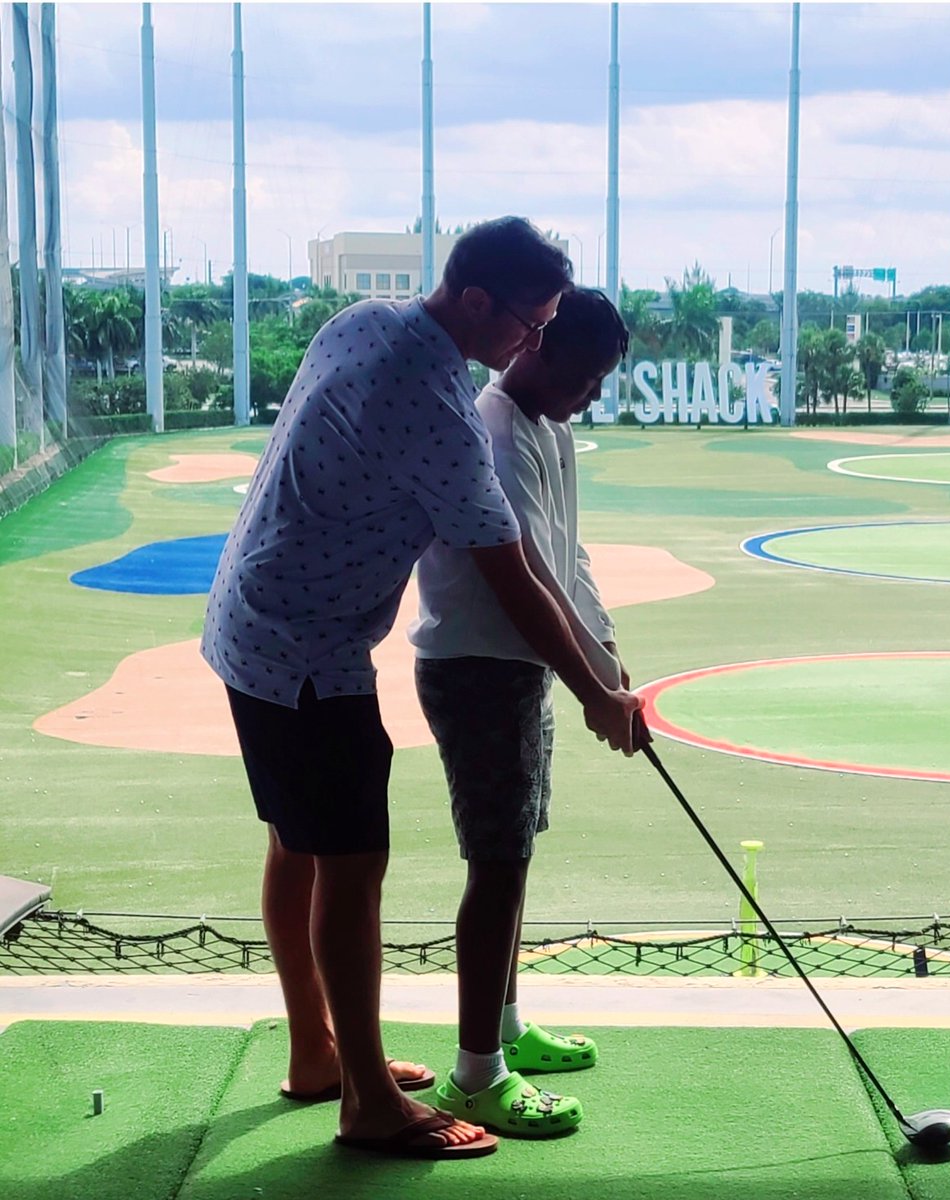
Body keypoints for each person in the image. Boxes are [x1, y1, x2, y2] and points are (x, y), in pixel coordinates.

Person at [200, 219, 642, 1161]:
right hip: (308, 650)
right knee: (352, 867)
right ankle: (366, 1101)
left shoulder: (366, 320)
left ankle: (320, 1052)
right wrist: (599, 694)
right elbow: (511, 575)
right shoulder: (441, 409)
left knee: (300, 844)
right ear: (476, 301)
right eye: (531, 323)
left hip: (256, 618)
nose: (534, 342)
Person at [410, 287, 631, 1138]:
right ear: (534, 349)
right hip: (477, 668)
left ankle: (503, 1031)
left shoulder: (551, 427)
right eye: (583, 376)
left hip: (520, 669)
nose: (591, 395)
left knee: (514, 854)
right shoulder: (497, 428)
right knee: (494, 866)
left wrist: (607, 663)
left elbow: (570, 557)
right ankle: (474, 1077)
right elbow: (527, 575)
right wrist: (592, 690)